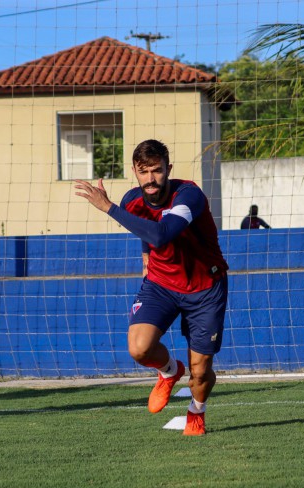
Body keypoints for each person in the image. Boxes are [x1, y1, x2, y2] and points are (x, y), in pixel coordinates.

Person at [74, 139, 228, 436]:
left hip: (204, 288)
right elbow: (146, 228)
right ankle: (170, 370)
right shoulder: (133, 199)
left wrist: (107, 207)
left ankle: (197, 411)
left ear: (168, 169)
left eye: (157, 171)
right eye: (143, 172)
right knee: (139, 348)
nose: (150, 179)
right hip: (161, 284)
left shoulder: (189, 196)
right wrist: (145, 253)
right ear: (134, 171)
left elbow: (162, 233)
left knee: (200, 371)